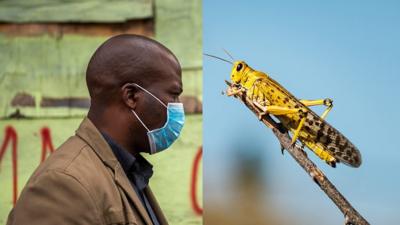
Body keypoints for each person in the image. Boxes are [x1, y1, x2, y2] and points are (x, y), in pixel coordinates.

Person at [6, 34, 185, 225]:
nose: (178, 107)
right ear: (131, 96)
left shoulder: (125, 170)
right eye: (173, 95)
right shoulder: (65, 182)